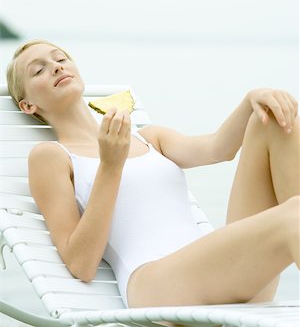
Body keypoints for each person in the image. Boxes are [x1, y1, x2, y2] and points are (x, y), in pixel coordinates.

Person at [6, 39, 300, 311]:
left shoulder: (150, 138)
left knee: (273, 120)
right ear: (28, 105)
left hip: (220, 275)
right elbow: (81, 264)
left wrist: (251, 99)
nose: (56, 66)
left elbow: (218, 149)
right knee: (295, 214)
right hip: (155, 286)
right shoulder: (51, 156)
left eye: (60, 58)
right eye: (39, 70)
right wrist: (111, 165)